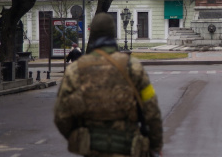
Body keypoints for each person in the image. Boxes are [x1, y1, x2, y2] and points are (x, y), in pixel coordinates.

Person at [54, 13, 163, 157]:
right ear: (113, 33)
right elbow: (152, 110)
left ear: (92, 34)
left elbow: (61, 116)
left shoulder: (75, 70)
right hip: (128, 148)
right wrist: (155, 146)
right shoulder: (133, 67)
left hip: (92, 150)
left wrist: (82, 139)